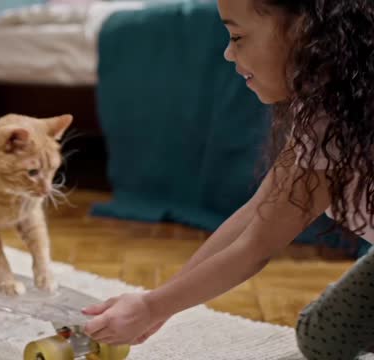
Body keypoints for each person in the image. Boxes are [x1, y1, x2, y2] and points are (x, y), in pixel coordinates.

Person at [83, 1, 374, 358]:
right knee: (321, 337)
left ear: (304, 32)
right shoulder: (323, 107)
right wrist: (158, 303)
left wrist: (151, 307)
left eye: (237, 36)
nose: (227, 52)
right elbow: (257, 213)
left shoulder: (339, 116)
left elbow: (255, 247)